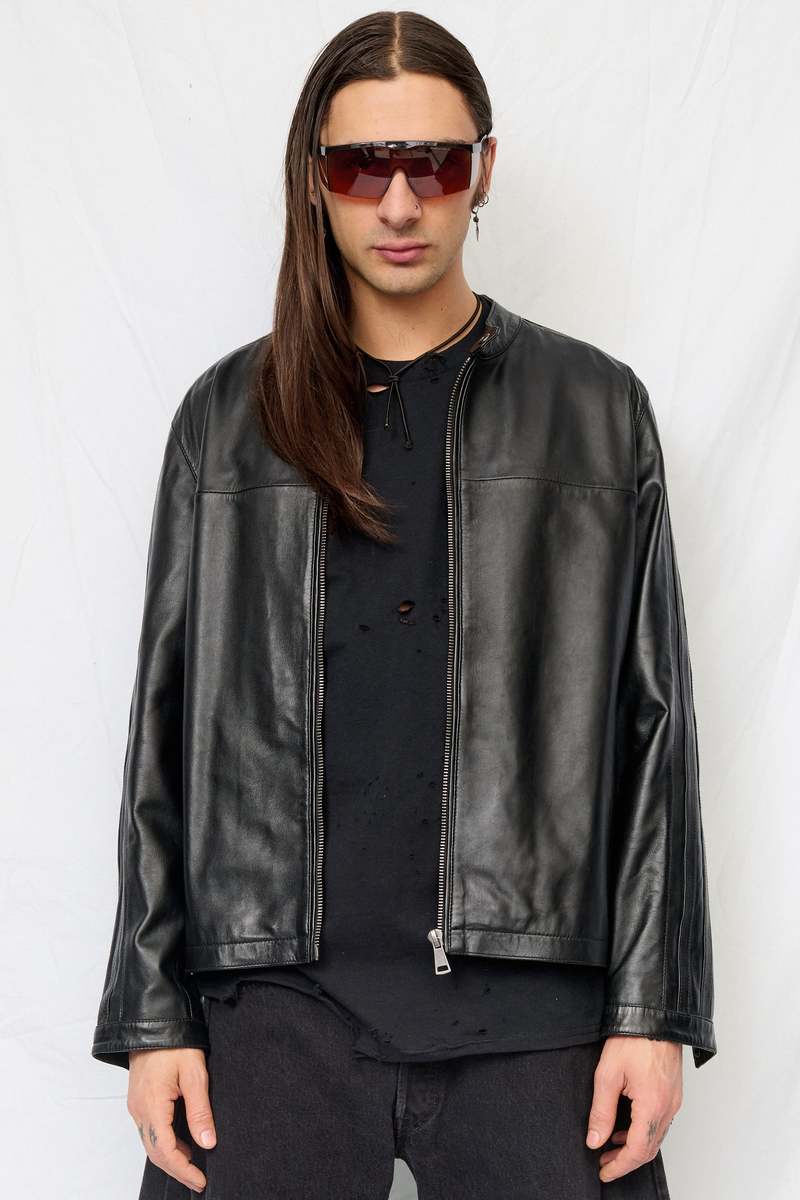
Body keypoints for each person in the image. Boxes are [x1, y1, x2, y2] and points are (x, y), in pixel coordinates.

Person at [90, 11, 716, 1199]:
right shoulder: (226, 421)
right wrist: (152, 1013)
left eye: (431, 163)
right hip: (271, 1013)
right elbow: (164, 735)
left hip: (533, 1017)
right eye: (358, 166)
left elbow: (653, 734)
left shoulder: (593, 412)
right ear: (312, 180)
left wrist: (650, 1012)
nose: (396, 202)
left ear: (482, 169)